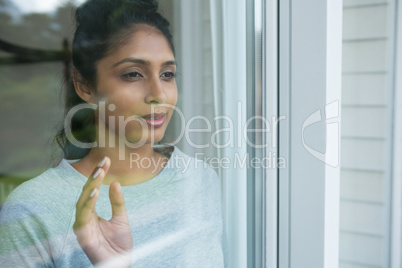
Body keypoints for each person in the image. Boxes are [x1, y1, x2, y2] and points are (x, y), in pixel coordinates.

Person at [0, 0, 225, 267]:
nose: (158, 94)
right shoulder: (31, 209)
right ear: (85, 86)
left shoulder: (199, 179)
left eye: (167, 74)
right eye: (133, 74)